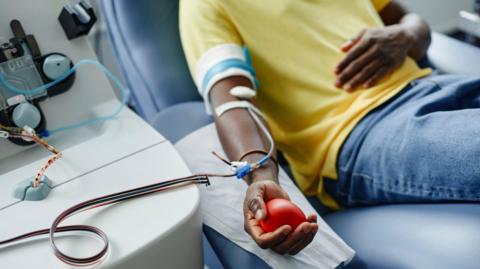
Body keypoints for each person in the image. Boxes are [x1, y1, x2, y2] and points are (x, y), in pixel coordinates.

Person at [179, 0, 480, 255]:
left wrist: (404, 35)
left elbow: (408, 20)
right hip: (362, 133)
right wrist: (261, 174)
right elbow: (233, 103)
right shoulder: (205, 5)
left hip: (432, 84)